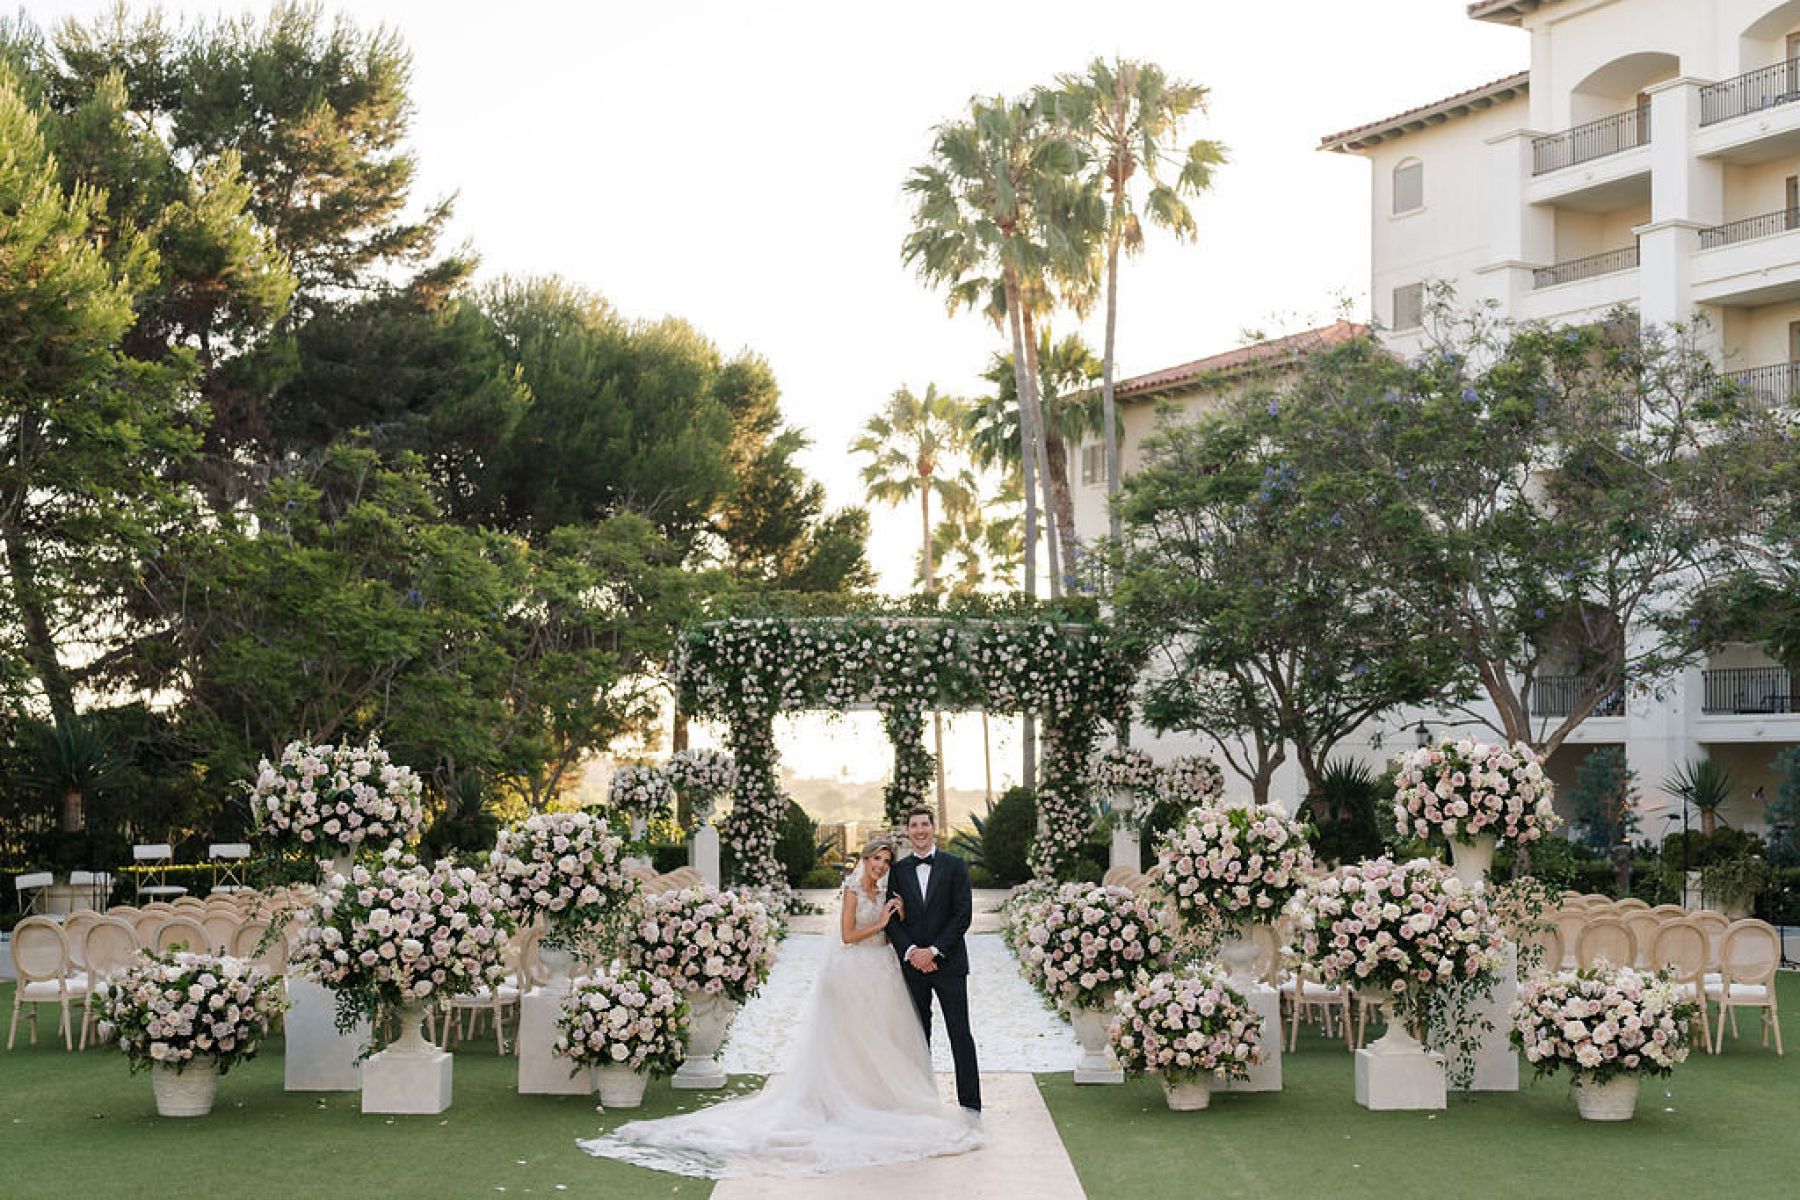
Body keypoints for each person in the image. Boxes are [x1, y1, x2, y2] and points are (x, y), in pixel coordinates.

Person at [577, 834, 983, 1179]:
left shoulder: (891, 889)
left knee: (887, 1038)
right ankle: (847, 1100)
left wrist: (909, 937)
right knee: (852, 1040)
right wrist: (884, 924)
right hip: (855, 970)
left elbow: (925, 920)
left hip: (887, 971)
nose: (880, 865)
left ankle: (889, 1098)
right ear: (864, 860)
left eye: (885, 860)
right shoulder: (854, 889)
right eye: (875, 859)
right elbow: (847, 935)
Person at [886, 805, 981, 1113]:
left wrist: (935, 951)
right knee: (917, 1035)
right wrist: (913, 952)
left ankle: (970, 1104)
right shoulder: (898, 871)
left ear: (934, 827)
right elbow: (892, 920)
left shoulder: (955, 865)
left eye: (924, 824)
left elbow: (962, 915)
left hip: (949, 964)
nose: (920, 830)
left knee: (960, 1034)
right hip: (913, 966)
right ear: (908, 831)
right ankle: (920, 1102)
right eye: (914, 825)